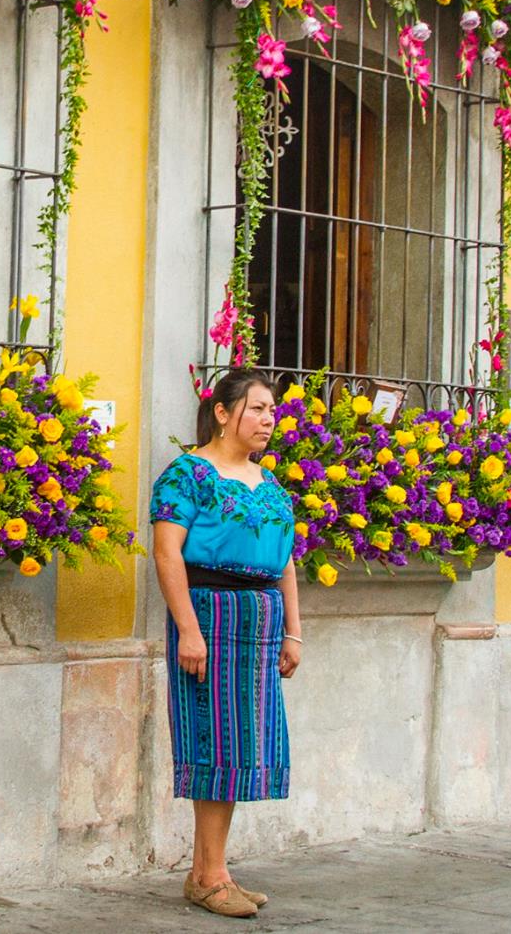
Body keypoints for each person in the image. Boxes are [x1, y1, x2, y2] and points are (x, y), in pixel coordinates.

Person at [150, 368, 301, 919]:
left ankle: (210, 871)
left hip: (260, 625)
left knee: (242, 749)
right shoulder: (186, 476)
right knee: (215, 744)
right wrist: (188, 629)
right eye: (257, 408)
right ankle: (208, 876)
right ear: (222, 412)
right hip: (211, 619)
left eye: (271, 411)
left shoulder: (269, 484)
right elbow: (168, 555)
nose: (268, 420)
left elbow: (285, 560)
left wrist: (292, 630)